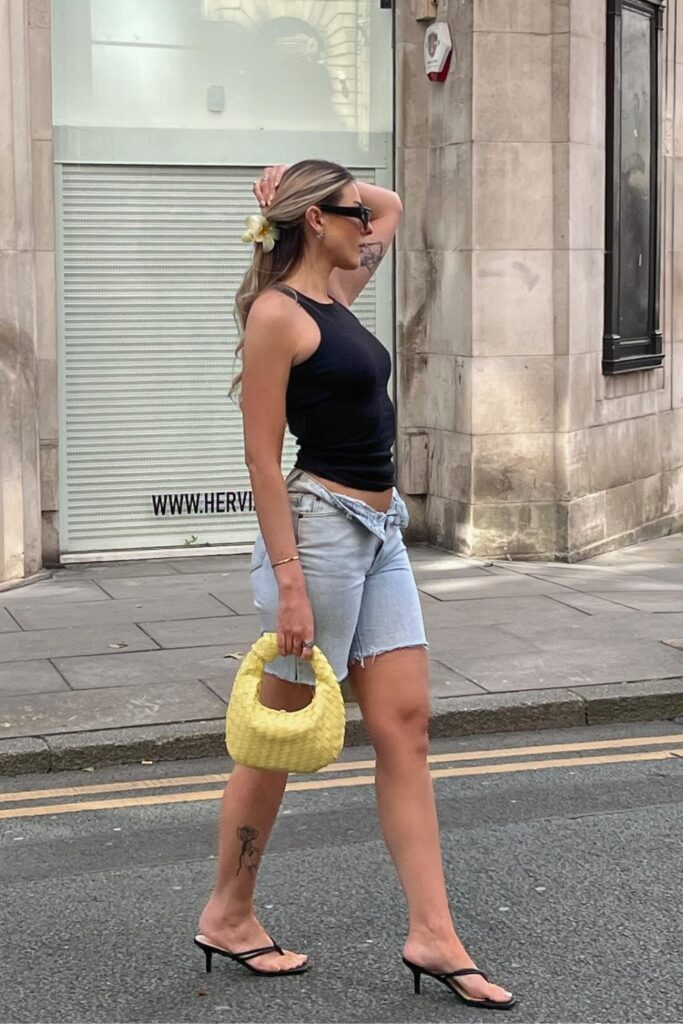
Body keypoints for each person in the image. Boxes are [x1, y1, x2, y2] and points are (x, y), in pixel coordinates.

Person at [195, 160, 516, 1011]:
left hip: (381, 535)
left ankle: (433, 934)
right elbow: (260, 459)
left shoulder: (338, 293)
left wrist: (302, 183)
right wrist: (290, 584)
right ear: (317, 223)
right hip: (319, 540)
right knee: (278, 735)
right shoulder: (278, 314)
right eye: (349, 215)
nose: (366, 229)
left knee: (405, 727)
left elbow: (392, 203)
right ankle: (228, 912)